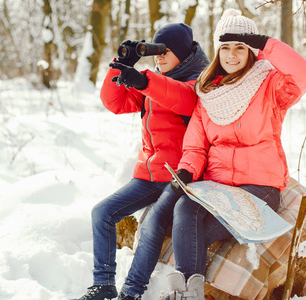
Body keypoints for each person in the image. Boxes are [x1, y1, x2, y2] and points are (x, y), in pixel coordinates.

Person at [157, 8, 306, 300]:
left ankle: (189, 292)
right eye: (226, 47)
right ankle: (186, 293)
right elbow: (196, 145)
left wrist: (266, 42)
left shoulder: (270, 85)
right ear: (218, 51)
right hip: (217, 186)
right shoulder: (207, 92)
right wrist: (186, 171)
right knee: (184, 208)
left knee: (200, 234)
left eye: (240, 47)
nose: (232, 55)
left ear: (251, 50)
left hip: (259, 186)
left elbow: (305, 74)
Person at [73, 23, 209, 300]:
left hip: (180, 176)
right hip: (149, 175)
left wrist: (144, 80)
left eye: (166, 51)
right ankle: (103, 284)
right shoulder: (154, 82)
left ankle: (131, 293)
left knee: (150, 227)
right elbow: (115, 103)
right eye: (156, 51)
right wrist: (120, 64)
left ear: (183, 53)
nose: (159, 57)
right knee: (102, 213)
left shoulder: (199, 81)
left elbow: (182, 99)